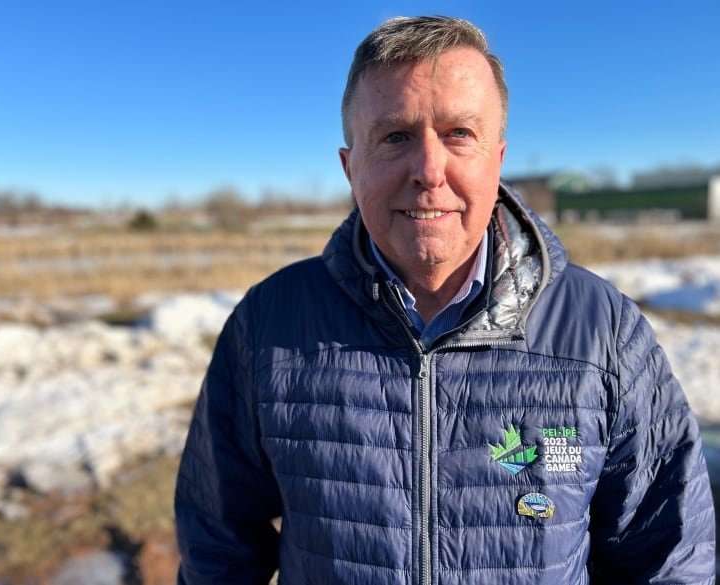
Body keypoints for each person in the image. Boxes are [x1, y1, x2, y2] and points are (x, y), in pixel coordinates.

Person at [174, 15, 716, 584]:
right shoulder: (268, 325)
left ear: (497, 158)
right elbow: (218, 549)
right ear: (349, 167)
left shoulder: (602, 332)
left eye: (459, 134)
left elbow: (669, 559)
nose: (429, 171)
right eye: (395, 137)